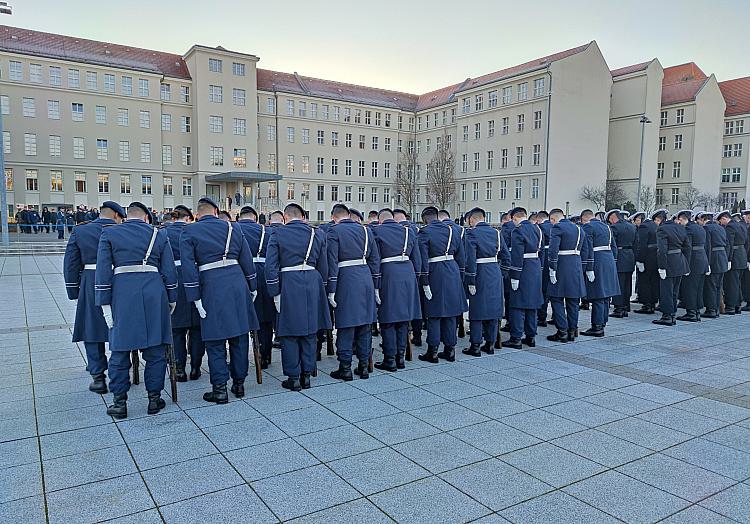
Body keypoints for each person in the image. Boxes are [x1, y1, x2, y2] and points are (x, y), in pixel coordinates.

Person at [95, 202, 177, 419]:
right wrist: (172, 298)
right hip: (153, 291)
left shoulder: (110, 233)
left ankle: (119, 402)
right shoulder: (158, 235)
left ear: (125, 217)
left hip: (123, 293)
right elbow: (168, 270)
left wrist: (104, 303)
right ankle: (153, 399)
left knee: (120, 350)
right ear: (146, 218)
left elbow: (103, 271)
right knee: (155, 350)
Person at [179, 197, 259, 403]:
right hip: (236, 283)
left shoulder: (189, 231)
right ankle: (239, 384)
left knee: (215, 340)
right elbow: (246, 261)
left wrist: (194, 297)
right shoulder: (233, 228)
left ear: (197, 214)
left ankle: (220, 388)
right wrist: (252, 287)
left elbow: (189, 268)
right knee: (239, 336)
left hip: (211, 286)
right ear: (216, 211)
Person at [265, 203, 331, 391]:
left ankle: (293, 378)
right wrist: (322, 286)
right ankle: (306, 375)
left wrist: (274, 292)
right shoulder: (316, 233)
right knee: (310, 330)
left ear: (285, 218)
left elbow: (271, 267)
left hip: (288, 282)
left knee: (289, 332)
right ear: (303, 216)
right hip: (312, 280)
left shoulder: (278, 233)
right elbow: (323, 265)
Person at [64, 201, 126, 394]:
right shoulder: (123, 231)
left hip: (91, 282)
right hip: (120, 281)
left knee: (92, 329)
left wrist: (74, 291)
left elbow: (71, 264)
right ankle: (122, 370)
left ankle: (98, 377)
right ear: (117, 215)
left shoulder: (81, 231)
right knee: (120, 326)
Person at [325, 204, 380, 380]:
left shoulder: (334, 231)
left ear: (334, 217)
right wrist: (375, 284)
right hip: (365, 277)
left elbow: (332, 262)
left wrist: (331, 289)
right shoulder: (365, 231)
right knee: (365, 325)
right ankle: (364, 366)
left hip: (346, 279)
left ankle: (345, 367)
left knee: (346, 325)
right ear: (349, 215)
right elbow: (374, 259)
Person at [373, 208, 423, 371]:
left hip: (388, 273)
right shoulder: (408, 231)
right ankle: (400, 357)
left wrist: (376, 283)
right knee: (403, 319)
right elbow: (417, 259)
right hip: (407, 273)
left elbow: (376, 259)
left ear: (380, 220)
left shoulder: (377, 231)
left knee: (388, 319)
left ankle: (390, 359)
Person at [417, 206, 467, 363]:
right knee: (451, 314)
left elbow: (422, 259)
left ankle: (432, 351)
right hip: (452, 271)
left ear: (425, 219)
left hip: (435, 272)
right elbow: (461, 257)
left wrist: (424, 280)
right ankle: (450, 350)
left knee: (434, 314)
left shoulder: (424, 232)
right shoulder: (453, 230)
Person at [462, 207, 510, 356]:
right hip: (494, 271)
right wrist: (501, 273)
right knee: (493, 309)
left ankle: (475, 345)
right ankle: (490, 344)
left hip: (479, 272)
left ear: (472, 219)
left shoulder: (471, 234)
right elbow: (506, 256)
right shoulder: (496, 233)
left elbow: (470, 259)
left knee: (477, 309)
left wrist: (470, 279)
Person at [165, 205, 205, 381]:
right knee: (197, 329)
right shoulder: (195, 231)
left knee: (177, 330)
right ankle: (196, 367)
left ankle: (179, 368)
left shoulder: (163, 233)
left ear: (174, 218)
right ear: (188, 218)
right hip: (195, 280)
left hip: (173, 282)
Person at [237, 205, 275, 369]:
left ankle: (240, 359)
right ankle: (264, 356)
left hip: (241, 274)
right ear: (254, 217)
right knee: (265, 319)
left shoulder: (234, 229)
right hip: (263, 273)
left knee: (240, 319)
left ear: (240, 217)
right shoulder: (267, 231)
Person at [503, 207, 543, 349]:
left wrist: (515, 275)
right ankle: (531, 336)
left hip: (523, 268)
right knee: (532, 304)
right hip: (535, 267)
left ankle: (516, 337)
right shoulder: (537, 229)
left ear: (514, 218)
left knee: (517, 305)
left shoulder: (518, 231)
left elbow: (517, 255)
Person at [546, 209, 588, 342]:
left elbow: (553, 249)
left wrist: (552, 268)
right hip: (576, 265)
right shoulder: (579, 228)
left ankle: (562, 331)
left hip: (562, 265)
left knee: (556, 298)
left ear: (553, 219)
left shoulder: (558, 227)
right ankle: (572, 330)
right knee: (573, 300)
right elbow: (585, 249)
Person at [580, 209, 619, 337]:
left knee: (597, 295)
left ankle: (596, 327)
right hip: (608, 260)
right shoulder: (607, 227)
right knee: (606, 295)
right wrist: (613, 262)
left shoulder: (588, 227)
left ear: (584, 219)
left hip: (597, 261)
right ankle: (602, 323)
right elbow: (614, 247)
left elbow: (588, 248)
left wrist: (588, 267)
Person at [652, 209, 690, 326]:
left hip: (669, 262)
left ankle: (667, 316)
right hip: (680, 261)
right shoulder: (680, 227)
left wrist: (662, 267)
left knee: (666, 291)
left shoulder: (662, 229)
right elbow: (687, 247)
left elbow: (662, 250)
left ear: (659, 220)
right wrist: (686, 264)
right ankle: (672, 314)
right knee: (674, 291)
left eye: (656, 221)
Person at [677, 210, 708, 322]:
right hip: (702, 260)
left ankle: (691, 313)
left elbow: (688, 248)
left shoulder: (688, 229)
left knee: (689, 288)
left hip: (693, 261)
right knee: (698, 288)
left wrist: (686, 265)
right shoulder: (700, 228)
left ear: (685, 219)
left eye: (680, 220)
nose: (679, 223)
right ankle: (697, 311)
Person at [607, 209, 636, 318]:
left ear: (613, 218)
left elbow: (612, 244)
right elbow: (636, 243)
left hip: (619, 256)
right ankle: (625, 305)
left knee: (618, 283)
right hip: (630, 255)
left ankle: (618, 308)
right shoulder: (632, 226)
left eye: (610, 219)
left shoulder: (614, 227)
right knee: (627, 283)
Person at [701, 211, 729, 318]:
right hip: (722, 257)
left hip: (713, 257)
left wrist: (707, 263)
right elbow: (727, 244)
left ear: (703, 220)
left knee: (711, 285)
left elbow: (707, 246)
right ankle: (716, 308)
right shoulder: (721, 228)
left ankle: (711, 309)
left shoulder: (706, 229)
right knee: (718, 285)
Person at [721, 208, 748, 315]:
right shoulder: (741, 225)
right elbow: (747, 243)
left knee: (731, 283)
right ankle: (737, 305)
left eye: (721, 220)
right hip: (742, 256)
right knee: (737, 283)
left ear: (725, 218)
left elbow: (729, 245)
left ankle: (731, 306)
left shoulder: (730, 227)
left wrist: (728, 259)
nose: (721, 223)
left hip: (735, 257)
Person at [634, 210, 659, 314]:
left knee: (645, 282)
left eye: (636, 221)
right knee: (654, 282)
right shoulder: (654, 225)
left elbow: (642, 245)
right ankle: (653, 303)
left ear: (639, 219)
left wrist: (640, 260)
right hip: (655, 257)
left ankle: (647, 305)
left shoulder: (643, 227)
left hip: (647, 258)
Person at [537, 210, 552, 326]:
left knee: (543, 288)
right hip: (556, 258)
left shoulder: (540, 228)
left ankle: (541, 316)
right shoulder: (555, 226)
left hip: (544, 258)